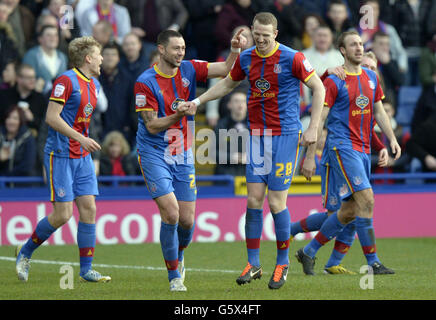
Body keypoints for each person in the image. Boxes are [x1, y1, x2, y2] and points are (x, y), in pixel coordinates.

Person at [184, 12, 326, 289]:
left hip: (285, 136)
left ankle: (282, 263)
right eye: (257, 34)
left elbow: (318, 88)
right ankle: (253, 264)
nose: (260, 39)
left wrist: (314, 129)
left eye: (266, 35)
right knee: (252, 200)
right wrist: (198, 101)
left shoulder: (292, 57)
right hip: (258, 135)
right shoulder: (247, 57)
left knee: (276, 203)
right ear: (251, 31)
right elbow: (227, 83)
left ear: (276, 33)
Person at [134, 28, 246, 291]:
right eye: (176, 49)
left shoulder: (190, 68)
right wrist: (180, 115)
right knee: (171, 214)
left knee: (187, 220)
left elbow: (228, 69)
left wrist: (235, 49)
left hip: (181, 150)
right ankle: (174, 277)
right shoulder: (145, 81)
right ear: (161, 49)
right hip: (153, 151)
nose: (181, 53)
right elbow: (151, 126)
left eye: (183, 48)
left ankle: (179, 255)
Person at [295, 31, 401, 276]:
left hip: (363, 150)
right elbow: (319, 119)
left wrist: (391, 139)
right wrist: (310, 156)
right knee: (367, 199)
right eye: (353, 44)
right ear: (342, 50)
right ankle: (372, 262)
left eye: (361, 43)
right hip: (342, 147)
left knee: (350, 210)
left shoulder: (372, 77)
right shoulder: (334, 81)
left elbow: (379, 112)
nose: (359, 48)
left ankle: (308, 252)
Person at [15, 36, 111, 283]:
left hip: (83, 155)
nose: (102, 58)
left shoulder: (95, 85)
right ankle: (25, 251)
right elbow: (51, 117)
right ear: (88, 58)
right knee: (63, 215)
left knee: (89, 208)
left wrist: (84, 141)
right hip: (60, 154)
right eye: (99, 54)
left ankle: (86, 269)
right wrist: (81, 138)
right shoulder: (65, 80)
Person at [22, 25, 68, 95]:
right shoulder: (31, 56)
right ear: (40, 39)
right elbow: (24, 80)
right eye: (49, 35)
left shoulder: (63, 57)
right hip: (37, 99)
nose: (53, 38)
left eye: (55, 35)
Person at [214, 90, 248, 177]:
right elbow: (212, 153)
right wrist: (231, 157)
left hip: (248, 175)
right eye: (236, 101)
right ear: (229, 105)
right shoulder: (221, 125)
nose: (240, 105)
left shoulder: (254, 125)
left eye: (243, 101)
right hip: (225, 175)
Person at [0, 105, 36, 176]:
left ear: (21, 121)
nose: (11, 121)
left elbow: (27, 166)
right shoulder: (1, 135)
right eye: (8, 117)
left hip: (21, 183)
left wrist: (6, 176)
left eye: (15, 118)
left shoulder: (28, 138)